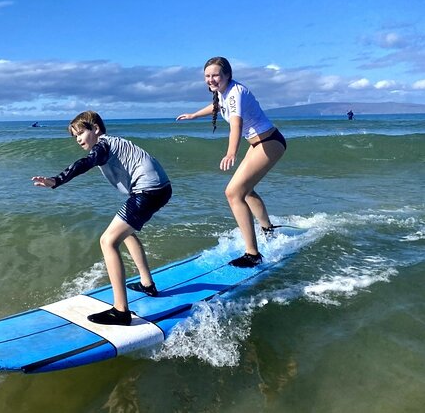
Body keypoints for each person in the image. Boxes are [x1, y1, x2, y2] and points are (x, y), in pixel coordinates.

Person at [32, 110, 172, 326]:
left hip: (148, 191)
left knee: (107, 241)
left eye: (80, 132)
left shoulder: (103, 145)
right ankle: (147, 284)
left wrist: (56, 180)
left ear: (95, 129)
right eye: (74, 136)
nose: (78, 139)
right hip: (160, 189)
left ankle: (120, 311)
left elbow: (85, 163)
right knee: (126, 233)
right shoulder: (114, 143)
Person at [176, 56, 286, 268]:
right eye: (207, 76)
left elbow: (236, 124)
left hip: (269, 142)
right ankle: (268, 229)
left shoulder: (236, 93)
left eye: (215, 75)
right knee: (246, 191)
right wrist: (194, 115)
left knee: (233, 192)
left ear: (228, 75)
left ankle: (252, 253)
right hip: (261, 143)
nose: (211, 79)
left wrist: (231, 153)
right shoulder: (223, 93)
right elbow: (217, 107)